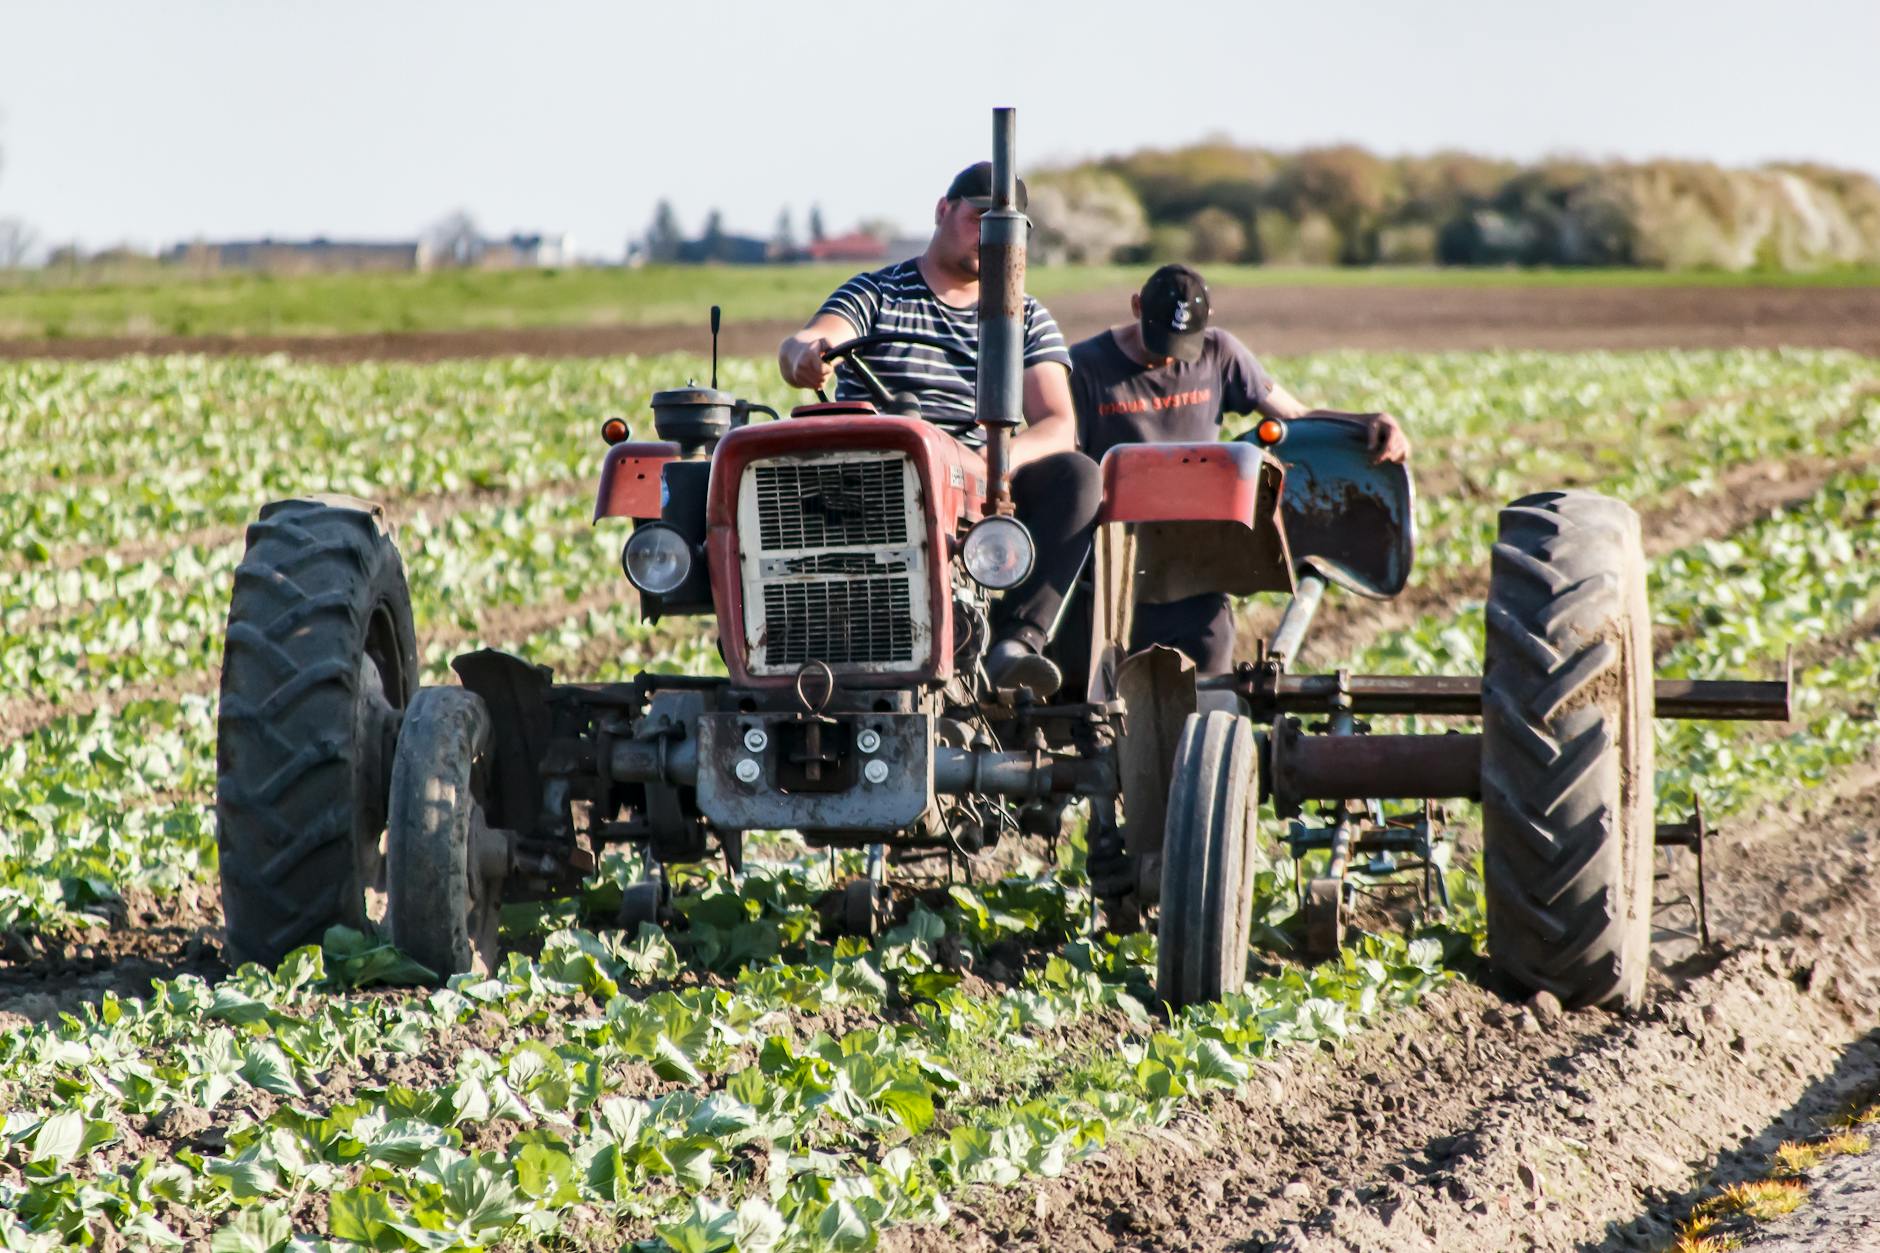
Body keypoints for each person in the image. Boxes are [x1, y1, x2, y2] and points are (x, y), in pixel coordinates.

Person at [778, 162, 1100, 696]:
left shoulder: (1025, 317)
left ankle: (1015, 643)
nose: (988, 240)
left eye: (1006, 233)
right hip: (870, 479)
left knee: (1078, 475)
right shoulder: (877, 295)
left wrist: (995, 463)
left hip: (975, 483)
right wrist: (805, 356)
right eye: (978, 220)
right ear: (942, 210)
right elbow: (809, 341)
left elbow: (1057, 423)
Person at [1068, 263, 1411, 676]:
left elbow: (1295, 416)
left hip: (1196, 567)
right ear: (1136, 306)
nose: (1168, 356)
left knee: (1209, 697)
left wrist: (1367, 421)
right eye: (1160, 340)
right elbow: (1067, 458)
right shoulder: (1084, 367)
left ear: (1206, 322)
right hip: (1113, 574)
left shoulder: (1220, 354)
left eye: (1181, 345)